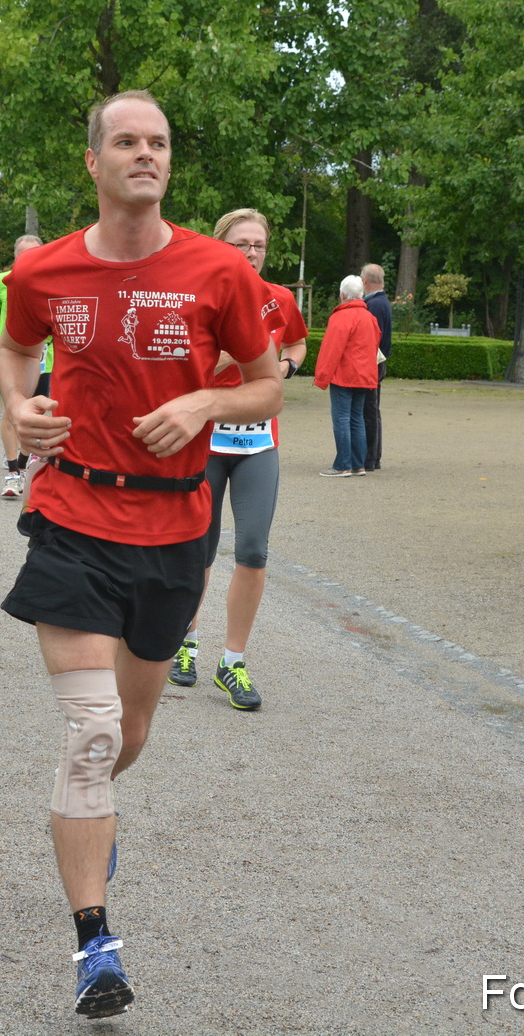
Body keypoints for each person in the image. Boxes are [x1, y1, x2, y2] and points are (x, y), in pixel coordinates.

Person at [0, 90, 280, 1018]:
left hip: (174, 528)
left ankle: (86, 810)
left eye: (158, 141)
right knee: (90, 733)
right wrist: (21, 406)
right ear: (94, 160)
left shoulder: (218, 272)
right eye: (127, 140)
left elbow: (269, 387)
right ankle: (95, 946)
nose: (145, 153)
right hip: (74, 514)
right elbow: (16, 343)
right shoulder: (46, 269)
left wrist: (204, 403)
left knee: (130, 733)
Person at [168, 207, 307, 709]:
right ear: (221, 245)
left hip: (257, 443)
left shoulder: (279, 298)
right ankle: (185, 644)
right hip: (205, 441)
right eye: (241, 244)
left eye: (259, 245)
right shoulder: (199, 298)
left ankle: (234, 662)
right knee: (197, 551)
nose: (251, 253)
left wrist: (285, 366)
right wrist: (223, 358)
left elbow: (296, 340)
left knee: (253, 551)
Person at [0, 234, 46, 497]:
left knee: (37, 415)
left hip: (46, 356)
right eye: (23, 255)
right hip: (12, 355)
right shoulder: (2, 281)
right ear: (15, 257)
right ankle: (13, 472)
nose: (28, 260)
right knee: (11, 411)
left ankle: (24, 459)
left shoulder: (53, 281)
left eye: (35, 255)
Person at [313, 274, 380, 477]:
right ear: (360, 295)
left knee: (341, 419)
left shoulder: (340, 317)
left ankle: (343, 464)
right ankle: (358, 464)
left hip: (343, 375)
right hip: (364, 376)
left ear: (342, 295)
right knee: (357, 418)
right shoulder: (370, 318)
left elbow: (331, 350)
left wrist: (321, 377)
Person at [360, 263, 392, 471]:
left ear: (365, 281)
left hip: (372, 363)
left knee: (369, 410)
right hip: (378, 362)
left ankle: (370, 458)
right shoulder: (381, 302)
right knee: (372, 410)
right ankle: (374, 457)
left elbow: (372, 338)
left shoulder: (375, 305)